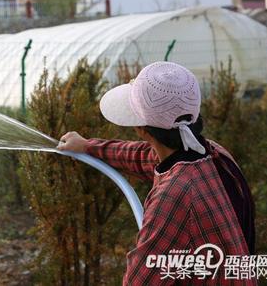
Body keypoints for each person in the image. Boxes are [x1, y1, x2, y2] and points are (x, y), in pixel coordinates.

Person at [58, 61, 255, 285]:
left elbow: (141, 279)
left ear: (141, 129)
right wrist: (87, 146)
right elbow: (140, 156)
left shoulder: (176, 194)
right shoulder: (213, 153)